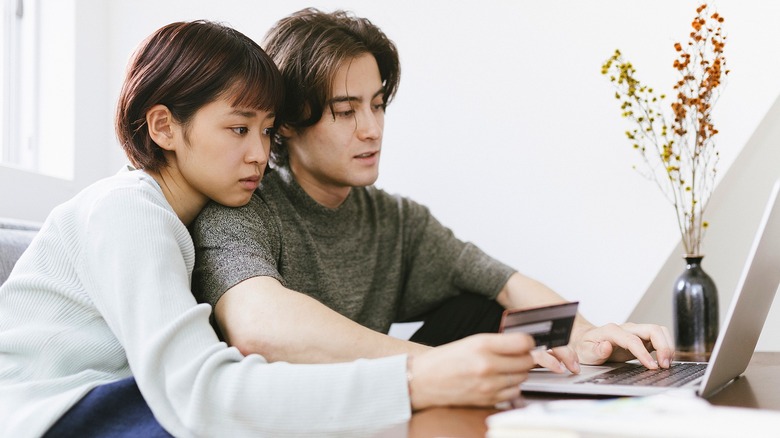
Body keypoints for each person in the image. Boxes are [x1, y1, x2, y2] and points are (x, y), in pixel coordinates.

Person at [0, 19, 533, 438]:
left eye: (267, 130)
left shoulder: (182, 219)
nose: (259, 154)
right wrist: (418, 377)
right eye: (238, 129)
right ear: (164, 126)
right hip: (52, 414)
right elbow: (202, 396)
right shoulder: (126, 210)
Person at [190, 7, 674, 386]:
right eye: (346, 111)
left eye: (378, 105)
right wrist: (443, 364)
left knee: (482, 309)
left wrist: (589, 335)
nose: (372, 129)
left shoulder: (395, 220)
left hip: (376, 412)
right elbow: (258, 327)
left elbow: (502, 283)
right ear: (289, 121)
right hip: (286, 421)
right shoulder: (244, 208)